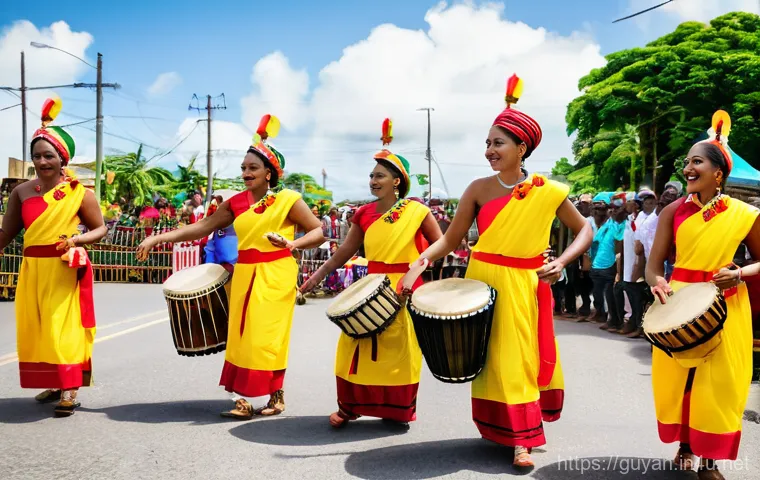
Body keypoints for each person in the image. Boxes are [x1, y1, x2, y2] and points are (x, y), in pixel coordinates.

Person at [402, 75, 593, 468]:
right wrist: (418, 263)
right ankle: (501, 429)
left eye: (498, 143)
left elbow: (584, 229)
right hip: (483, 281)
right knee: (493, 360)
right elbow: (450, 240)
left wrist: (560, 261)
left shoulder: (550, 190)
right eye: (488, 143)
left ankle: (523, 438)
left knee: (519, 358)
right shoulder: (477, 188)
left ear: (522, 148)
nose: (489, 150)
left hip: (525, 284)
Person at [137, 115, 325, 419]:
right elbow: (202, 227)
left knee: (266, 337)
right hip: (244, 273)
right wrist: (160, 237)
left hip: (276, 274)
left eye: (253, 168)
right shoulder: (236, 202)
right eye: (243, 168)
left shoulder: (289, 199)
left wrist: (293, 245)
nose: (246, 173)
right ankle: (248, 397)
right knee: (241, 336)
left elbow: (318, 232)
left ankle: (271, 395)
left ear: (269, 173)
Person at [300, 123, 442, 428]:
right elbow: (344, 251)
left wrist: (416, 272)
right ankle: (350, 407)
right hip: (371, 287)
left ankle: (397, 410)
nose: (373, 180)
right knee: (355, 345)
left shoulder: (417, 211)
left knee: (398, 352)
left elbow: (440, 245)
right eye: (371, 175)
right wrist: (318, 275)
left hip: (405, 288)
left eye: (379, 175)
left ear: (397, 181)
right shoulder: (363, 213)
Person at [647, 111, 759, 480]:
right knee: (683, 380)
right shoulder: (671, 212)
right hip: (678, 302)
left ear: (718, 173)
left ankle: (709, 461)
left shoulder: (745, 214)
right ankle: (684, 445)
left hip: (725, 303)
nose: (688, 168)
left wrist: (738, 273)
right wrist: (657, 283)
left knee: (717, 385)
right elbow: (654, 265)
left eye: (697, 161)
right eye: (686, 162)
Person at [0, 97, 107, 417]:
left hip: (63, 268)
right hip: (32, 269)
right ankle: (54, 380)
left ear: (63, 158)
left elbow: (99, 229)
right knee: (39, 328)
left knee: (64, 327)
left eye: (49, 156)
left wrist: (77, 240)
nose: (42, 162)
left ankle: (70, 386)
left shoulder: (80, 193)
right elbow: (6, 233)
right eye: (36, 156)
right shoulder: (20, 192)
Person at [591, 194, 627, 331]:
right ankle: (611, 319)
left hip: (612, 264)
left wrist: (618, 269)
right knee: (606, 293)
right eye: (611, 208)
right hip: (599, 264)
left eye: (617, 208)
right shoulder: (608, 223)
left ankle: (617, 321)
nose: (613, 211)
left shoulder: (624, 224)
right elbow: (597, 242)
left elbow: (619, 245)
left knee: (612, 293)